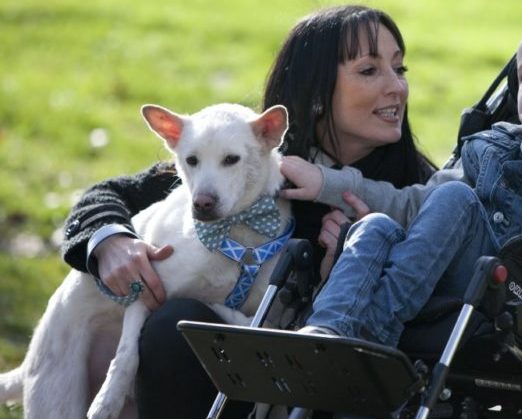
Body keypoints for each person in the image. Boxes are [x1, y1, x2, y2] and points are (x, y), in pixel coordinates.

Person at [59, 5, 434, 418]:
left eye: (400, 69)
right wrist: (109, 240)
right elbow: (108, 195)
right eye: (369, 70)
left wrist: (353, 267)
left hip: (323, 392)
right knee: (176, 324)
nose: (396, 87)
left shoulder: (414, 189)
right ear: (317, 89)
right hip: (205, 369)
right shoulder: (243, 153)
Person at [280, 10, 522, 347]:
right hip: (455, 270)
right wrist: (325, 181)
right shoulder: (495, 143)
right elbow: (415, 204)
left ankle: (373, 334)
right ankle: (326, 332)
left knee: (456, 196)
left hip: (519, 289)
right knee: (375, 226)